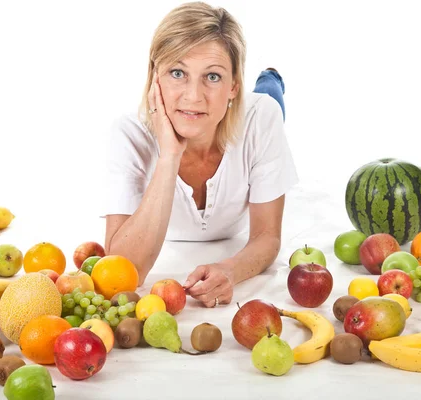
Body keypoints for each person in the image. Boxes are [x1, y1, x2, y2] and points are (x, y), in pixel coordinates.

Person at [102, 1, 298, 308]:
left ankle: (270, 80)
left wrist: (230, 270)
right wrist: (169, 156)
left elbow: (267, 237)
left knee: (269, 99)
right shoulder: (129, 134)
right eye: (177, 72)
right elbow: (122, 269)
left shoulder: (260, 118)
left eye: (213, 76)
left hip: (250, 110)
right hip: (213, 118)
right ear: (155, 78)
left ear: (234, 85)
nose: (193, 97)